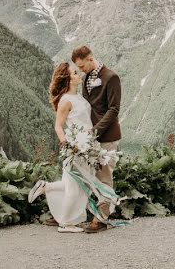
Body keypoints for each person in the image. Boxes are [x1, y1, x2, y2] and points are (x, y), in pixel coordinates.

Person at [27, 61, 116, 233]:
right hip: (75, 146)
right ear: (67, 79)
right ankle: (65, 224)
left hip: (86, 144)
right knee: (76, 187)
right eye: (75, 73)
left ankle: (46, 187)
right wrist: (67, 144)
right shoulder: (65, 101)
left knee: (73, 183)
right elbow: (58, 126)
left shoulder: (78, 97)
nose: (79, 74)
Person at [71, 45, 122, 234]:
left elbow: (114, 109)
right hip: (89, 136)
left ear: (90, 59)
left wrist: (96, 130)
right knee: (88, 175)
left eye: (82, 66)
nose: (81, 70)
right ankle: (81, 212)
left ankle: (102, 218)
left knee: (105, 176)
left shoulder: (111, 77)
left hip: (107, 136)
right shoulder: (85, 79)